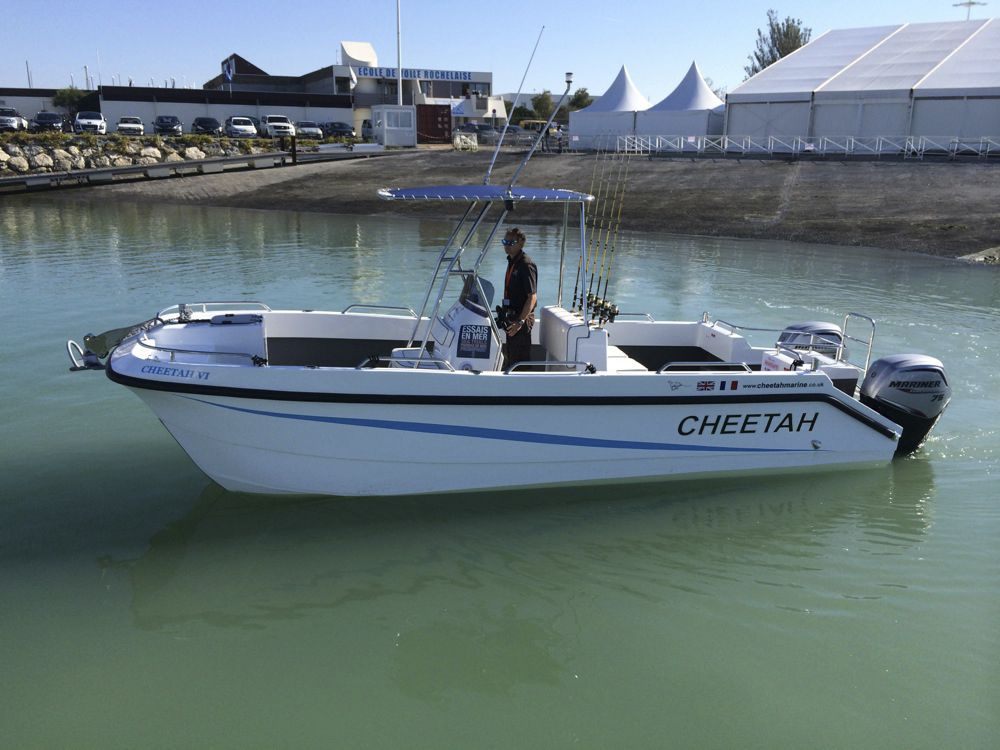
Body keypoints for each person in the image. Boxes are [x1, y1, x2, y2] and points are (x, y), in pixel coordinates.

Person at [500, 227, 537, 369]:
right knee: (511, 359)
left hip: (521, 320)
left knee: (521, 362)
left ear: (521, 243)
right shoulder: (512, 261)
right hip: (512, 318)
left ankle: (524, 389)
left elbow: (532, 297)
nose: (506, 245)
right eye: (505, 242)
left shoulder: (526, 264)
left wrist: (520, 322)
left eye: (511, 242)